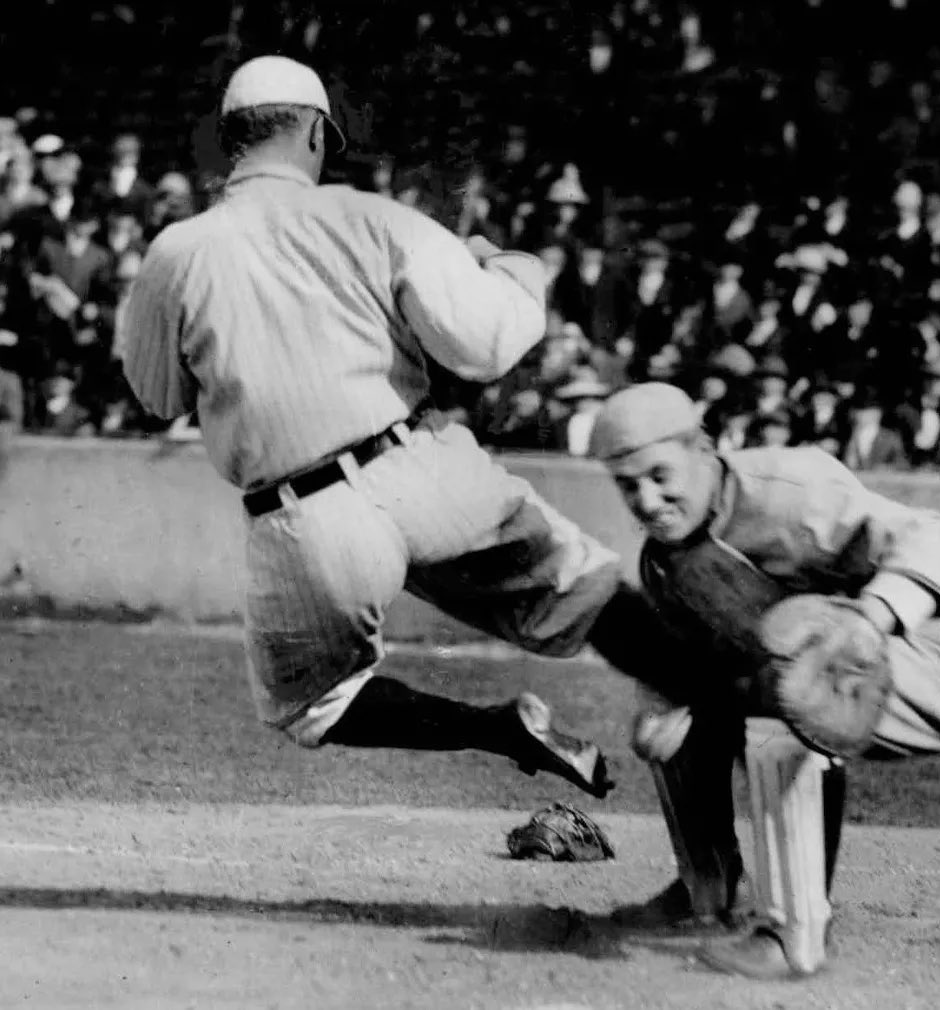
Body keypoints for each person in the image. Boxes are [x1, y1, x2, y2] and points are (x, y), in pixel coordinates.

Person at [118, 55, 655, 803]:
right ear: (313, 133)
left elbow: (154, 394)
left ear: (234, 138)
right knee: (592, 590)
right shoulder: (375, 218)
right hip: (416, 464)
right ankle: (714, 703)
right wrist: (516, 271)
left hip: (305, 513)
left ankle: (499, 729)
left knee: (317, 705)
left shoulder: (177, 252)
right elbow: (488, 346)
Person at [588, 382, 940, 980]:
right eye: (628, 485)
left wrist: (871, 619)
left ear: (702, 449)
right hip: (830, 669)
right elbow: (691, 671)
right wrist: (665, 708)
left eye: (660, 474)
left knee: (779, 682)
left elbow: (937, 535)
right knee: (671, 710)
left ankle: (793, 932)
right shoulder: (666, 559)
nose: (648, 500)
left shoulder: (789, 488)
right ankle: (708, 888)